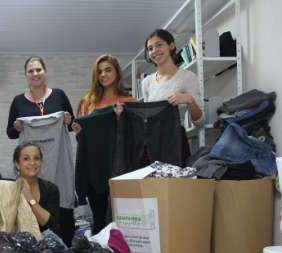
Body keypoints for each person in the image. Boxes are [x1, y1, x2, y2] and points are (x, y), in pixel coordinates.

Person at [6, 56, 75, 245]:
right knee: (33, 209)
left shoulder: (59, 95)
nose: (35, 74)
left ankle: (65, 252)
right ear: (25, 75)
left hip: (58, 161)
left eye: (38, 70)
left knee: (62, 207)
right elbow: (10, 133)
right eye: (30, 71)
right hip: (32, 168)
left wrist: (69, 121)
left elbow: (73, 126)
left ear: (45, 72)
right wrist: (16, 126)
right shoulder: (18, 101)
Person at [72, 54, 134, 235]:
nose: (103, 75)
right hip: (94, 170)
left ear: (116, 72)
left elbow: (135, 139)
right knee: (99, 220)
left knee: (123, 220)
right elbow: (82, 139)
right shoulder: (87, 103)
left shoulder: (129, 102)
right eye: (99, 72)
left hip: (120, 169)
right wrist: (78, 132)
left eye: (108, 70)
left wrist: (122, 120)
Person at [142, 29, 204, 161]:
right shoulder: (146, 83)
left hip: (176, 143)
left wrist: (189, 100)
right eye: (150, 48)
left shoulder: (187, 77)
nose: (154, 51)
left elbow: (200, 121)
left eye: (159, 45)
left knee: (177, 181)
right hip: (152, 143)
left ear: (171, 46)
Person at [13, 143, 60, 234]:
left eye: (36, 158)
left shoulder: (51, 189)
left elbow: (52, 227)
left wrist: (29, 197)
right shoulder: (8, 190)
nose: (32, 163)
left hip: (46, 245)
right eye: (26, 159)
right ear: (17, 164)